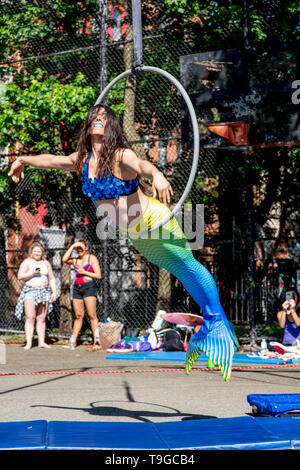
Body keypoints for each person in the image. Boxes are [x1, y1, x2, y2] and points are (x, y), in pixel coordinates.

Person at [8, 103, 234, 380]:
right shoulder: (81, 159)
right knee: (180, 271)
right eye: (95, 115)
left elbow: (142, 164)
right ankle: (211, 324)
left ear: (111, 124)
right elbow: (52, 160)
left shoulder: (120, 155)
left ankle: (217, 321)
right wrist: (23, 160)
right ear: (90, 123)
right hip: (136, 235)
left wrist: (158, 175)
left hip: (154, 219)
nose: (99, 119)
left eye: (105, 116)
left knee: (188, 263)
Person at [15, 241, 57, 349]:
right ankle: (29, 342)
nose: (37, 253)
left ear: (42, 252)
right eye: (35, 251)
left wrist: (54, 291)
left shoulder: (46, 263)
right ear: (31, 252)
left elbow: (51, 278)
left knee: (42, 317)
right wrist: (32, 273)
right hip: (30, 290)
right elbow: (20, 276)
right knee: (30, 317)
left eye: (39, 251)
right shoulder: (27, 262)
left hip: (44, 291)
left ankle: (41, 342)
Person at [62, 239, 102, 350]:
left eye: (81, 248)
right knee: (79, 315)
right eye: (77, 249)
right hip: (77, 288)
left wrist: (84, 272)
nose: (79, 251)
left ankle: (97, 341)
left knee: (91, 315)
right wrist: (72, 246)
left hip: (89, 287)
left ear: (86, 248)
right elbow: (64, 259)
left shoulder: (91, 258)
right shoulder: (75, 260)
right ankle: (72, 341)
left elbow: (98, 275)